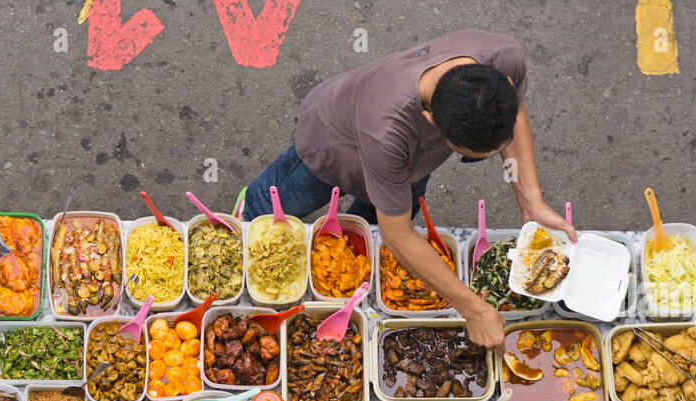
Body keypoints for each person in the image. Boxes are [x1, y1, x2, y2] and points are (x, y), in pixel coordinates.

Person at [243, 30, 575, 349]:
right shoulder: (386, 131)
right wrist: (474, 309)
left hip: (411, 163)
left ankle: (360, 228)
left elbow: (512, 118)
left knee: (374, 221)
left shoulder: (505, 58)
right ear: (430, 121)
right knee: (277, 202)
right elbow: (399, 236)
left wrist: (531, 202)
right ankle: (247, 213)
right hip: (332, 145)